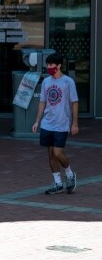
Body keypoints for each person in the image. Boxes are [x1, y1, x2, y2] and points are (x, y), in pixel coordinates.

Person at [31, 53, 78, 195]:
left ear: (59, 66)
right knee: (51, 154)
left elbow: (74, 103)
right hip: (47, 124)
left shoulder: (68, 82)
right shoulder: (46, 82)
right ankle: (57, 183)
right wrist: (37, 121)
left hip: (62, 123)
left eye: (51, 65)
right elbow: (42, 102)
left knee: (58, 152)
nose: (48, 67)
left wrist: (74, 123)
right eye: (47, 65)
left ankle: (69, 174)